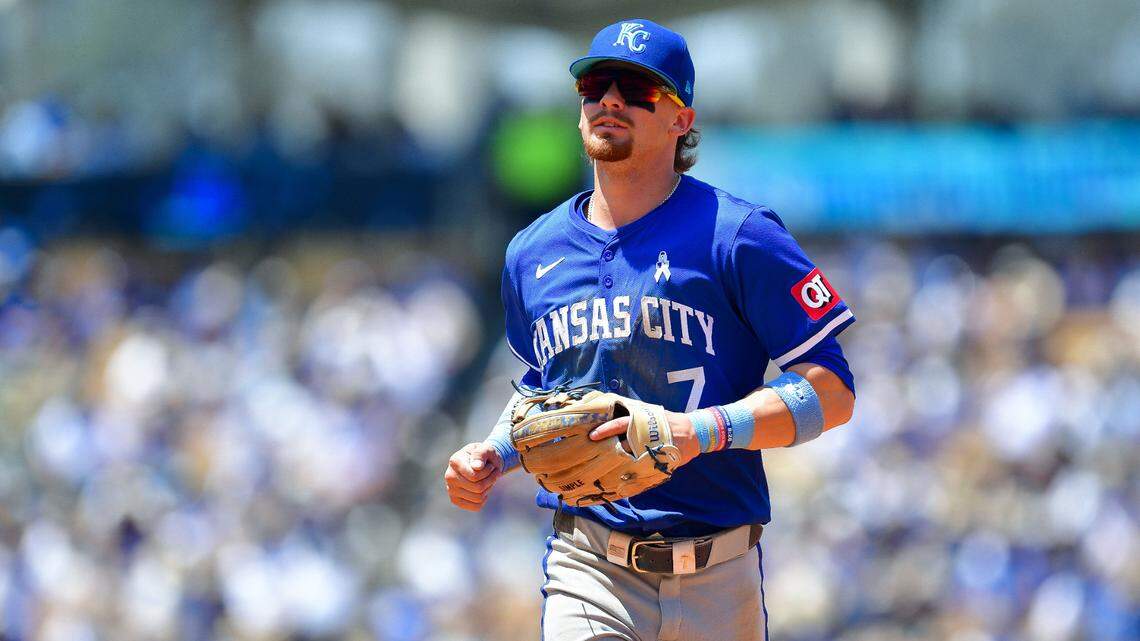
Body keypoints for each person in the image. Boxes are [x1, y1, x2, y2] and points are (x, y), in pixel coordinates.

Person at [445, 18, 856, 641]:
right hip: (589, 567)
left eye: (638, 88)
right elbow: (540, 389)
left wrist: (696, 432)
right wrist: (495, 454)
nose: (610, 99)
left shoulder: (737, 235)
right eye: (596, 85)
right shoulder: (532, 252)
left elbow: (831, 390)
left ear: (681, 121)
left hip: (722, 575)